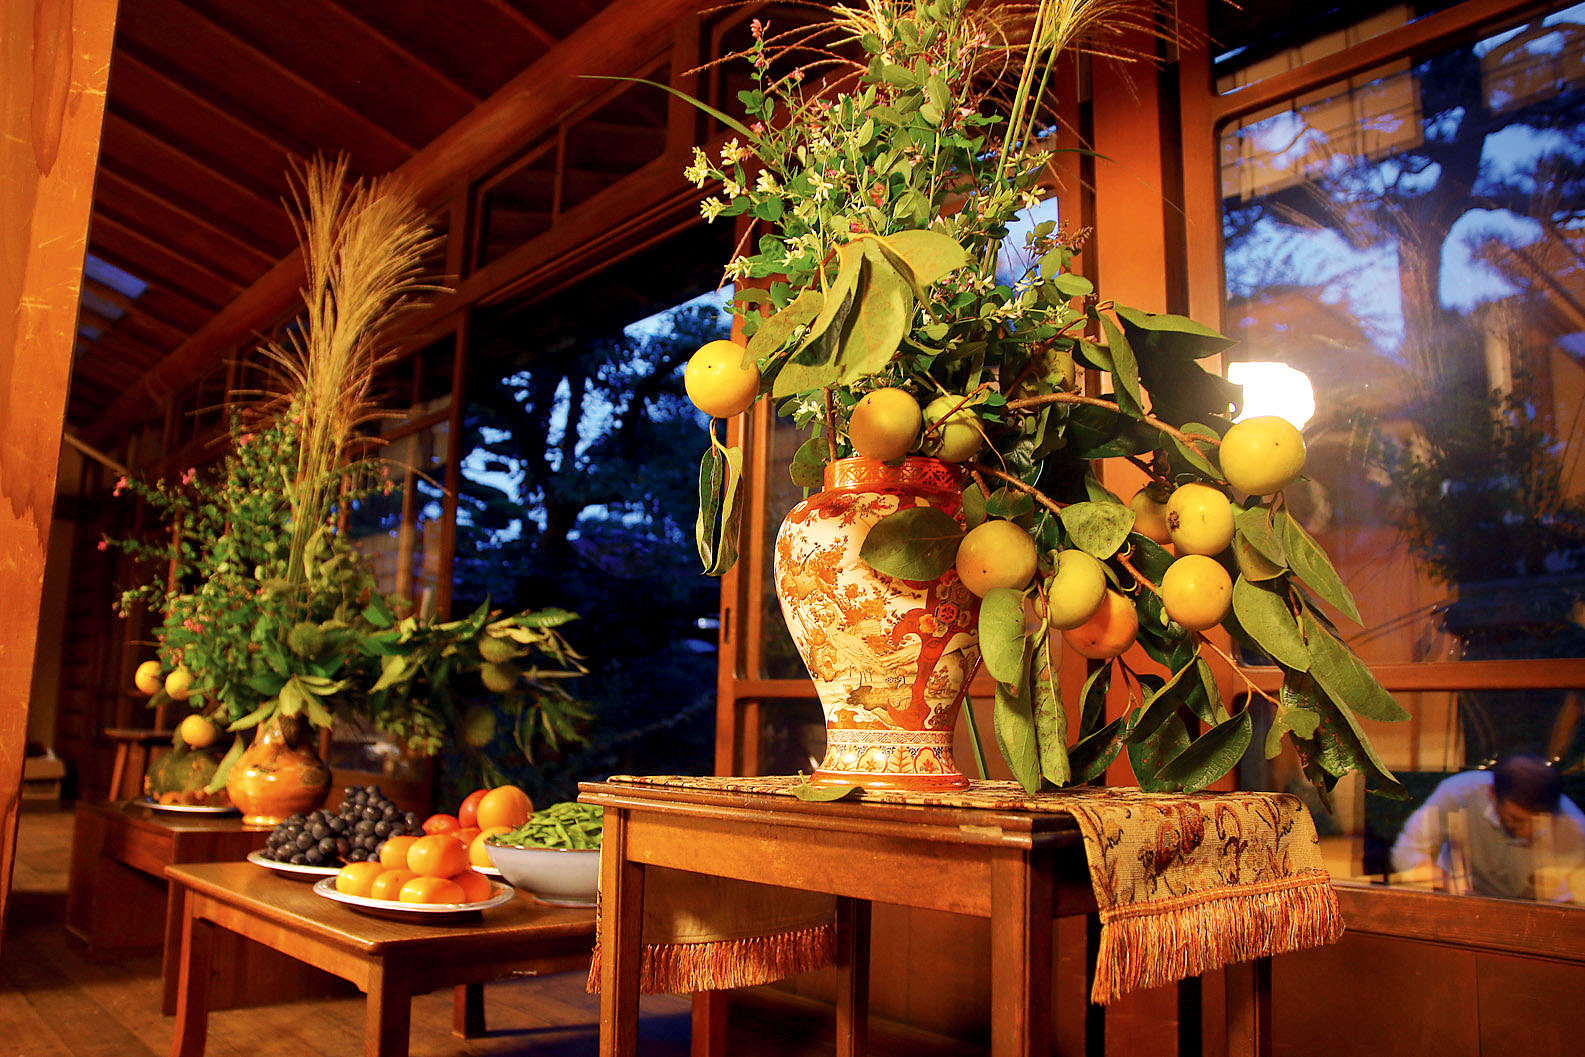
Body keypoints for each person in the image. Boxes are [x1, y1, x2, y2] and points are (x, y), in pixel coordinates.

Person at [1390, 754, 1585, 902]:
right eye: (1516, 819)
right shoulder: (1458, 793)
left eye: (1539, 823)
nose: (1528, 831)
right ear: (1492, 794)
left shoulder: (1574, 826)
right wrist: (1442, 882)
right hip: (1459, 902)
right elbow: (1408, 850)